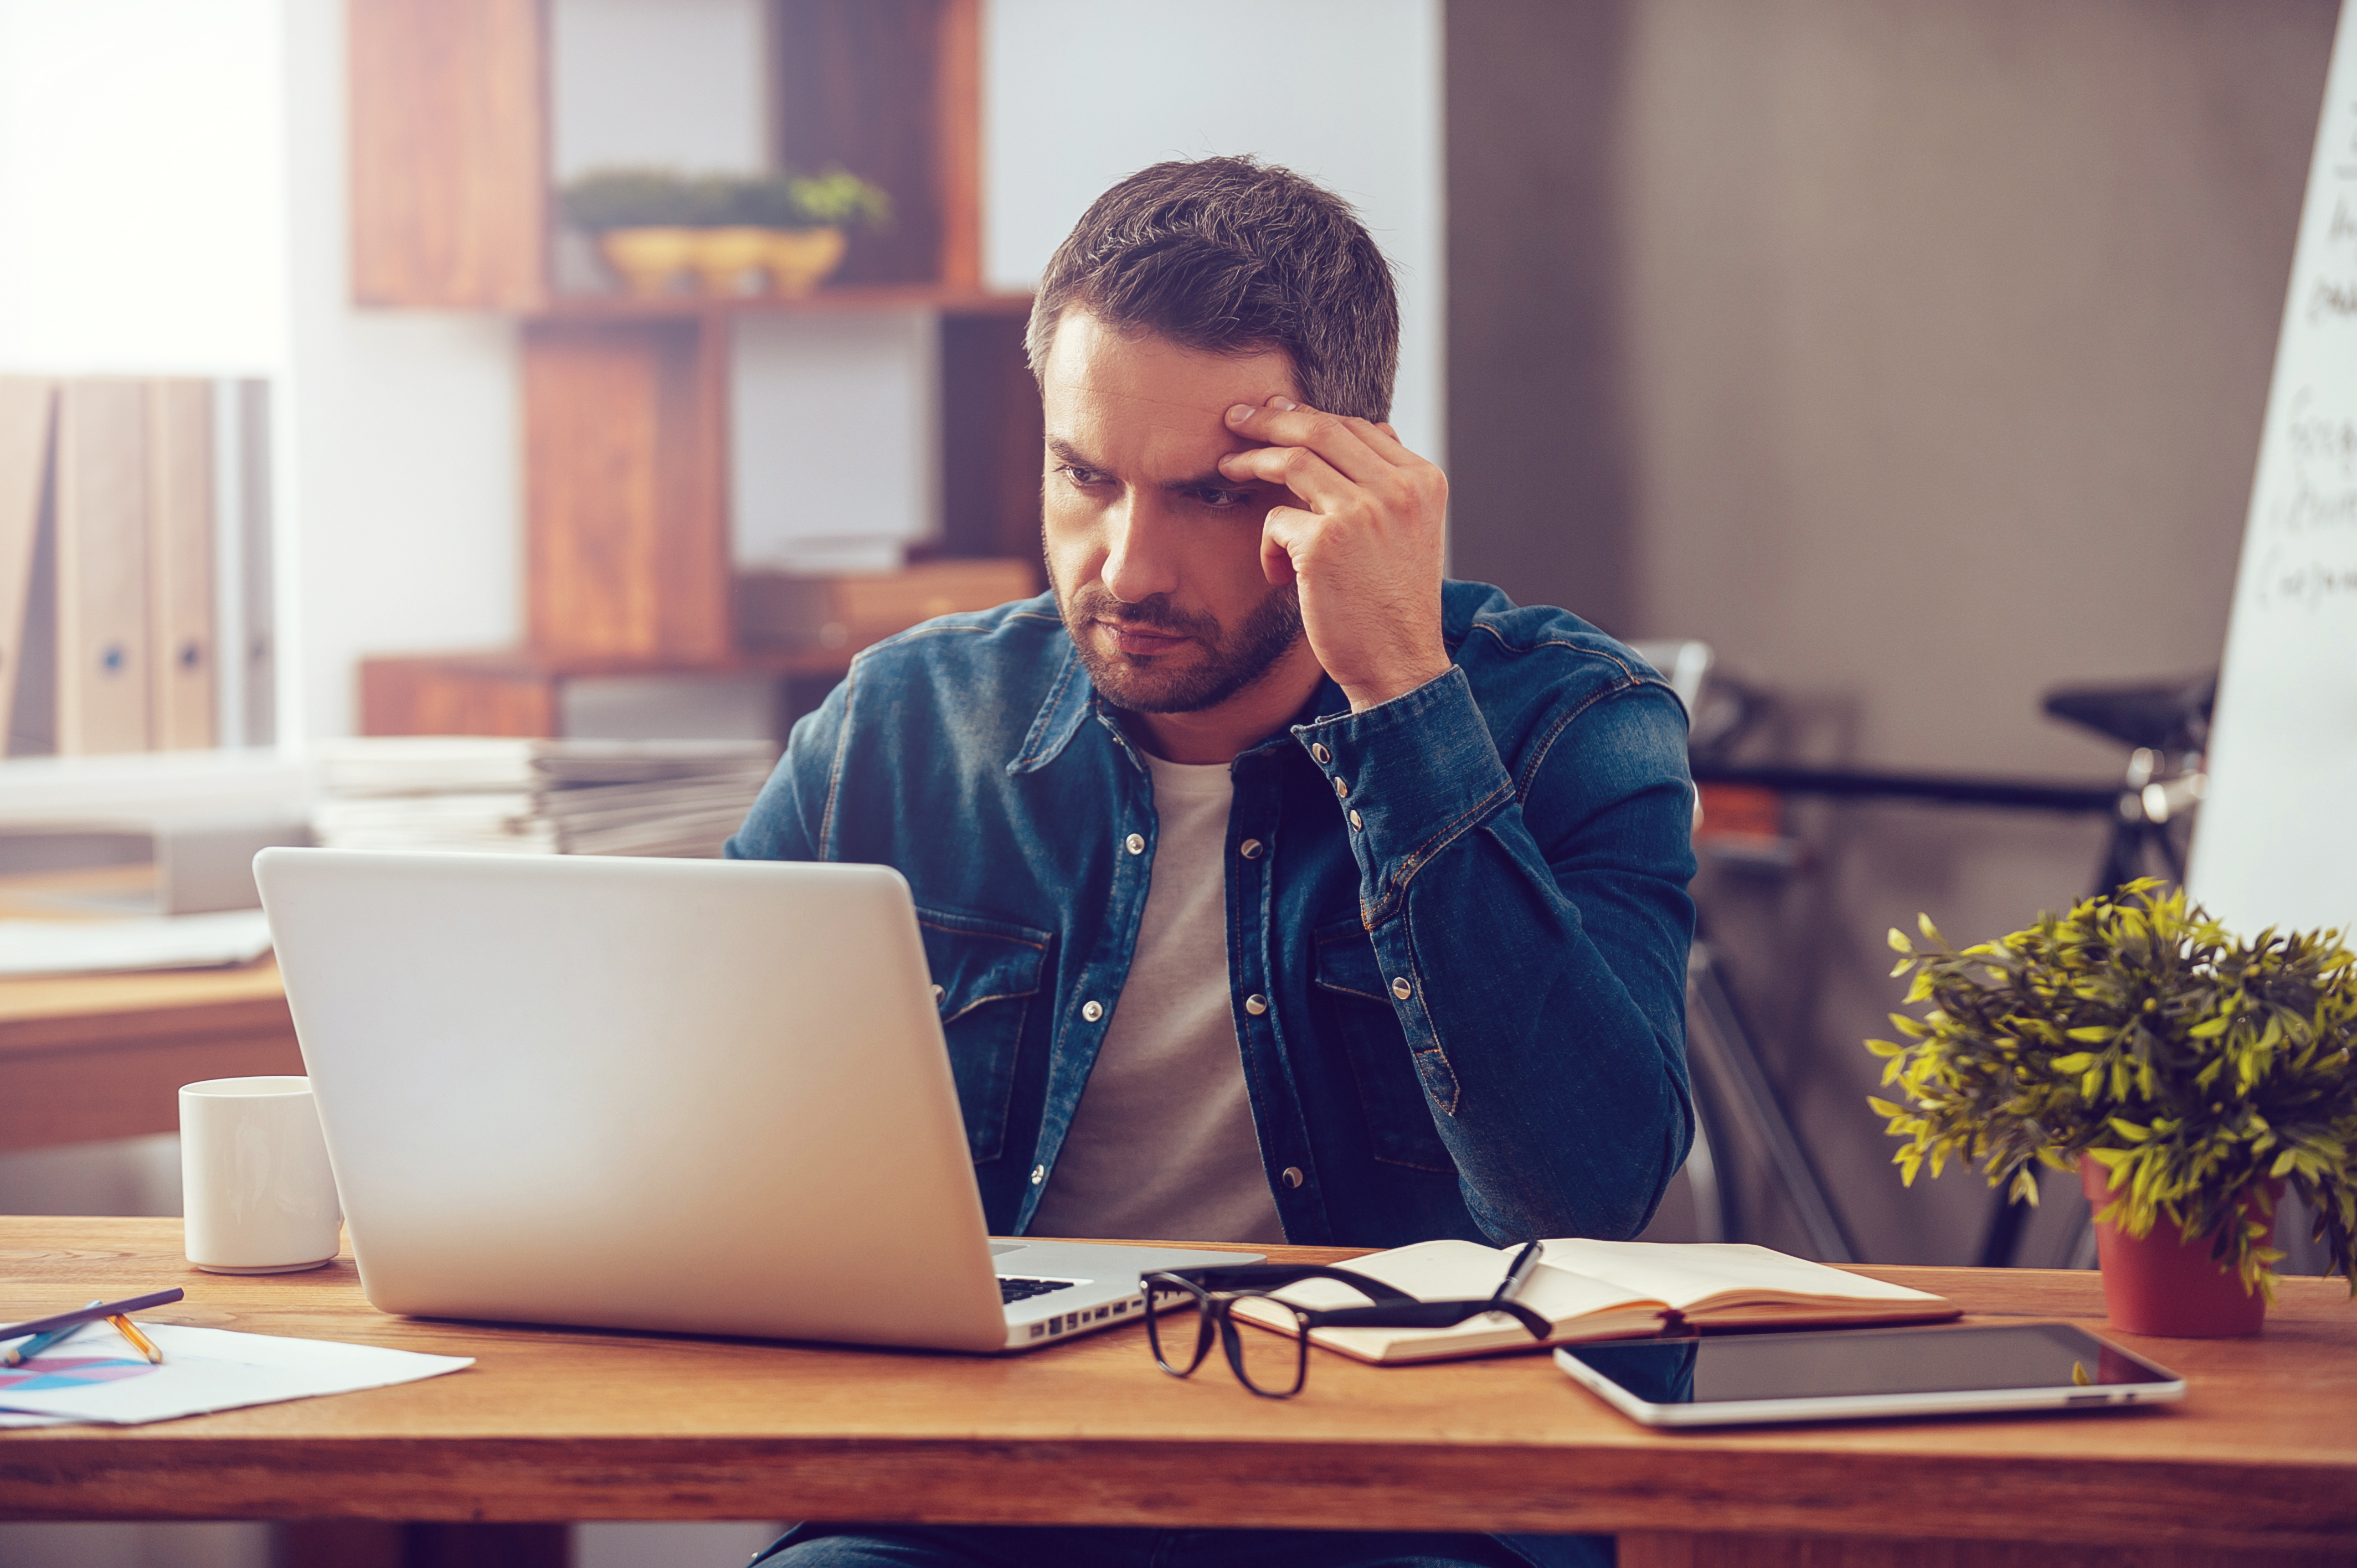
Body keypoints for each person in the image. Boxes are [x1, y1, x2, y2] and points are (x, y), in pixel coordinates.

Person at [728, 156, 1696, 1568]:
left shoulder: (1570, 726)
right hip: (981, 1488)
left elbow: (1582, 1191)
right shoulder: (902, 724)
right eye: (1085, 477)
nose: (1126, 567)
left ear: (1348, 480)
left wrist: (1403, 703)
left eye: (1208, 495)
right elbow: (696, 1127)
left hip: (1419, 1496)